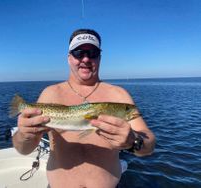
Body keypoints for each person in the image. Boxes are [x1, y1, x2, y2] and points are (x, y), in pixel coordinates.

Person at [12, 29, 156, 188]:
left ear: (99, 58)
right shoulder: (50, 93)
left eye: (92, 53)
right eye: (78, 53)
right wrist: (24, 135)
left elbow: (149, 145)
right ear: (69, 58)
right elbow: (23, 150)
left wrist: (132, 141)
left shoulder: (119, 95)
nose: (85, 59)